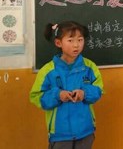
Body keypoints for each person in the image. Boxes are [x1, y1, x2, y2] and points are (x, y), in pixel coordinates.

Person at [29, 21, 104, 149]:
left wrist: (84, 93)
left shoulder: (89, 67)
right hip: (60, 134)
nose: (76, 45)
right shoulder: (48, 71)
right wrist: (58, 95)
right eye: (70, 40)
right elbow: (36, 97)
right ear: (58, 43)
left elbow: (98, 91)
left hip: (85, 131)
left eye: (80, 40)